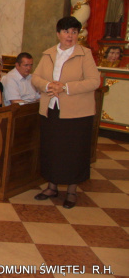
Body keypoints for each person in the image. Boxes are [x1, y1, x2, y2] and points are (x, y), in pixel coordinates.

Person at [31, 16, 100, 209]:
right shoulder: (48, 54)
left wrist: (66, 87)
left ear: (78, 34)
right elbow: (36, 78)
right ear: (58, 33)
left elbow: (95, 81)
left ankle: (71, 190)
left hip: (77, 113)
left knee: (73, 151)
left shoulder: (85, 54)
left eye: (74, 32)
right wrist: (47, 85)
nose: (70, 36)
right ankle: (51, 186)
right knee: (52, 149)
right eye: (66, 31)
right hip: (52, 110)